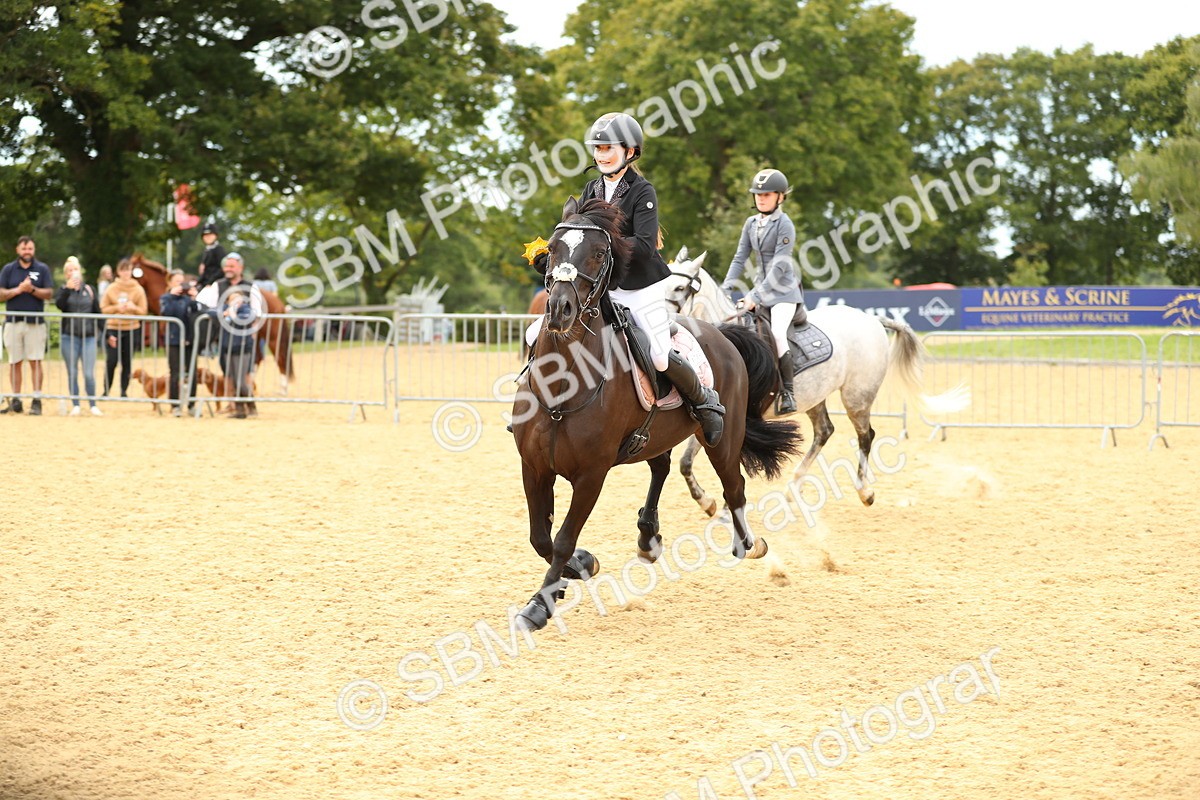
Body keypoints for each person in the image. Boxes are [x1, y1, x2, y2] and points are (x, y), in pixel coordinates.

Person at [569, 112, 724, 445]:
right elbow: (577, 233)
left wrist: (602, 247)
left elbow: (642, 243)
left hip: (642, 287)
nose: (600, 154)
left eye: (608, 147)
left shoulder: (642, 190)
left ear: (630, 151)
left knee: (657, 353)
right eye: (597, 148)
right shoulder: (592, 187)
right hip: (605, 287)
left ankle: (704, 402)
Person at [721, 168, 806, 415]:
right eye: (758, 194)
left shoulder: (785, 224)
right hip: (759, 288)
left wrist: (755, 297)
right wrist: (726, 287)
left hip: (783, 293)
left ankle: (788, 392)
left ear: (780, 197)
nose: (761, 198)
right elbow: (739, 258)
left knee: (778, 333)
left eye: (767, 194)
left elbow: (780, 266)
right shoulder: (751, 223)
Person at [196, 252, 263, 419]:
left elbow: (257, 312)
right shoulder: (218, 285)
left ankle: (249, 405)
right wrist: (222, 313)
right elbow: (207, 307)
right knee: (228, 373)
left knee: (244, 374)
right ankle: (233, 405)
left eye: (232, 266)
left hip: (243, 339)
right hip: (225, 337)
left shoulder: (250, 286)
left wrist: (251, 332)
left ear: (240, 268)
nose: (228, 269)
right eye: (226, 266)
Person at [0, 236, 55, 415]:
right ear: (18, 250)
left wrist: (31, 289)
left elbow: (48, 293)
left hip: (35, 323)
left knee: (35, 361)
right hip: (13, 322)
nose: (27, 252)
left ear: (34, 250)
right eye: (24, 249)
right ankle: (16, 399)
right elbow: (0, 293)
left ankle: (36, 399)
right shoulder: (8, 269)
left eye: (30, 249)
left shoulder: (42, 269)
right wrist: (18, 290)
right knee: (14, 361)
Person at [54, 256, 103, 416]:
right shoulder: (63, 290)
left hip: (88, 336)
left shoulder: (90, 290)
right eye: (69, 270)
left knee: (88, 372)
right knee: (72, 372)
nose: (73, 273)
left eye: (75, 269)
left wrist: (106, 333)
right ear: (66, 274)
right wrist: (67, 290)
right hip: (69, 337)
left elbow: (98, 312)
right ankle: (76, 404)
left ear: (80, 272)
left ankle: (92, 404)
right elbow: (60, 306)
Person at [101, 257, 148, 397]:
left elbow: (143, 311)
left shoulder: (138, 289)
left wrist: (133, 308)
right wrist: (116, 308)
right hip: (114, 328)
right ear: (118, 271)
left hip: (132, 329)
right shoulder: (111, 288)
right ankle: (106, 390)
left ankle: (123, 390)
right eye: (123, 270)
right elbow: (103, 307)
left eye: (128, 270)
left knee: (127, 362)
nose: (126, 273)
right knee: (112, 361)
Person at [160, 271, 202, 416]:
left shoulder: (187, 299)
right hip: (174, 339)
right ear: (170, 283)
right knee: (175, 373)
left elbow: (198, 311)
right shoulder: (166, 298)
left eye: (182, 281)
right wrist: (172, 295)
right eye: (177, 281)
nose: (180, 285)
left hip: (189, 339)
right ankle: (175, 404)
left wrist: (195, 297)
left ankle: (191, 404)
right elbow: (167, 313)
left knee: (192, 373)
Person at [196, 221, 227, 290]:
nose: (208, 237)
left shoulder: (219, 249)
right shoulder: (207, 250)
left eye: (210, 235)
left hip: (215, 284)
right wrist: (198, 282)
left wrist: (210, 283)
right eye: (205, 235)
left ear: (216, 236)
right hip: (206, 283)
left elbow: (222, 269)